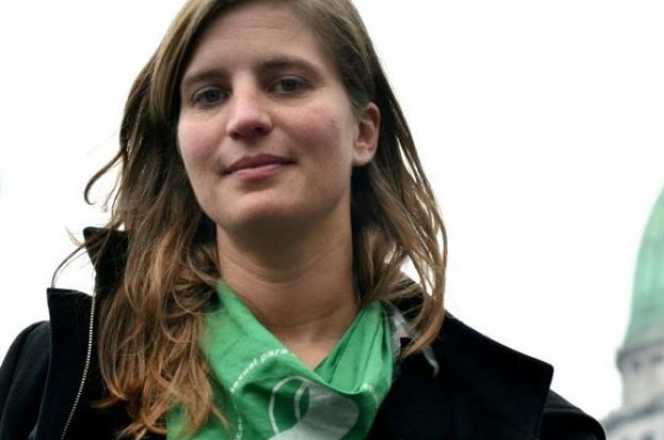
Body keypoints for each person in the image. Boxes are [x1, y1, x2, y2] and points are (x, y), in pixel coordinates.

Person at [0, 0, 604, 438]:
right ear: (182, 145)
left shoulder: (525, 425)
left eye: (287, 84)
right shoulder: (54, 378)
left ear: (363, 132)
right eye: (209, 94)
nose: (246, 117)